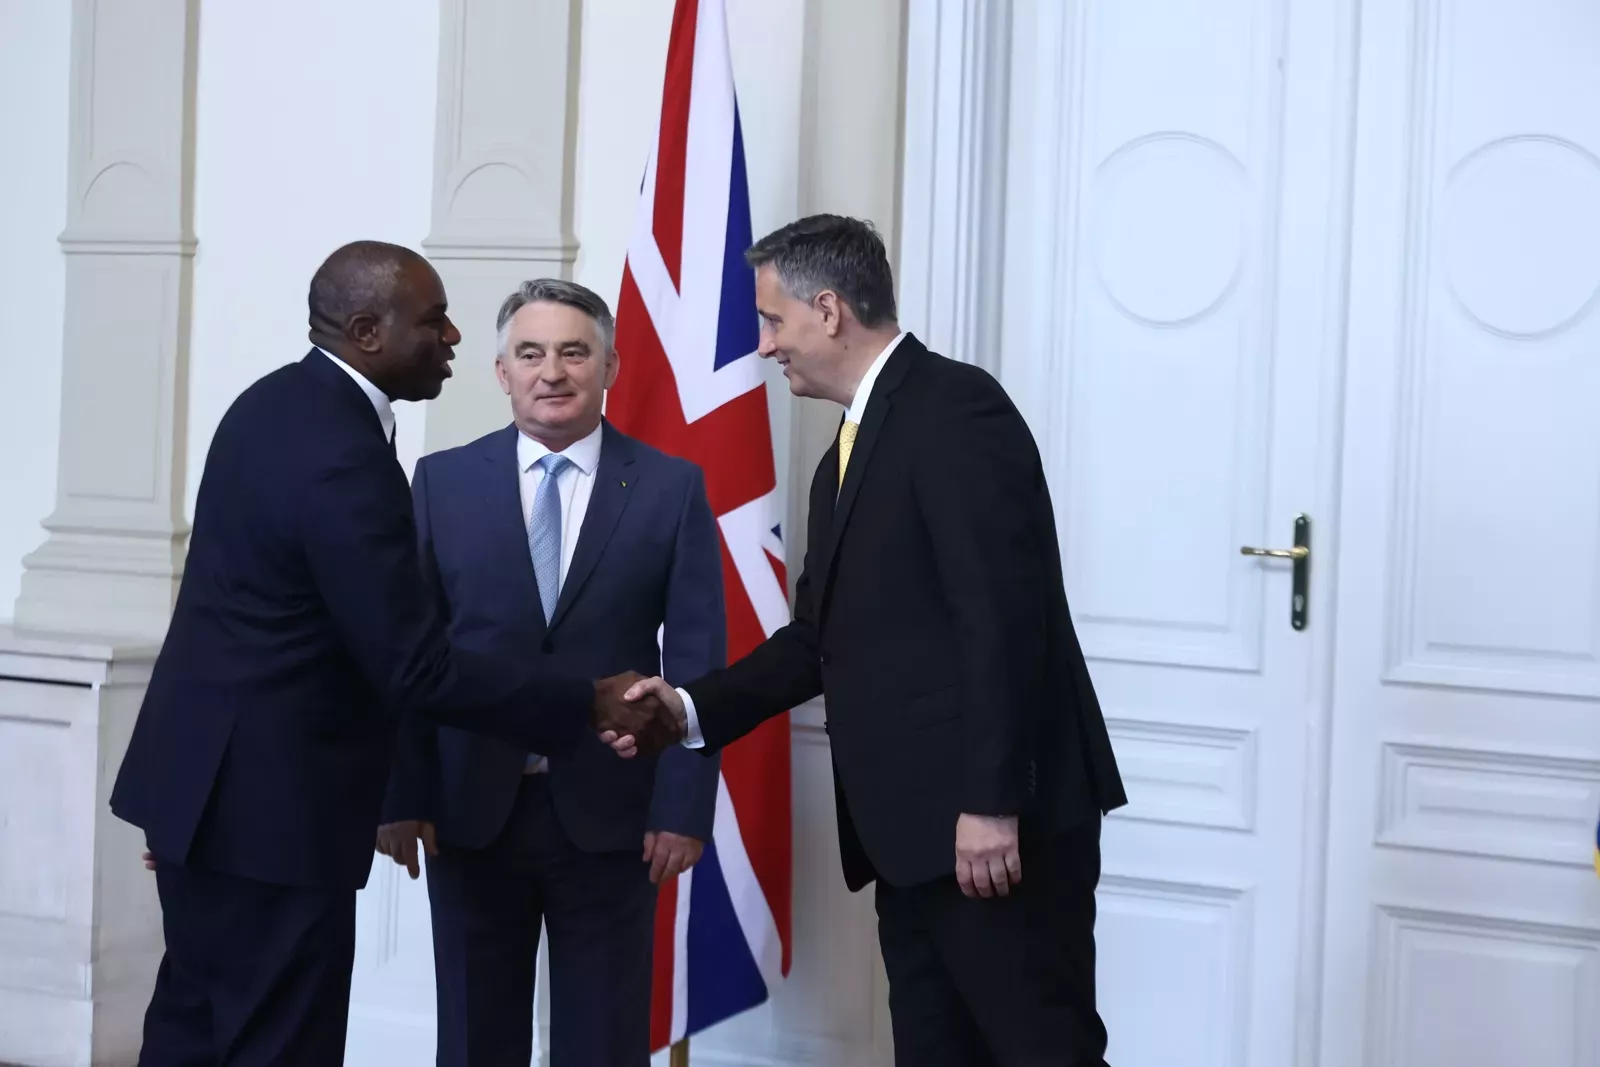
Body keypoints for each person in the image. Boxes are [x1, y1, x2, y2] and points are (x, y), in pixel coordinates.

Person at [109, 242, 678, 1066]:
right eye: (432, 320)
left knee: (191, 1033)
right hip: (273, 818)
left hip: (203, 794)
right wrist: (584, 699)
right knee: (274, 1045)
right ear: (368, 332)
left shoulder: (269, 405)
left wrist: (195, 811)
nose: (452, 336)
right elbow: (413, 664)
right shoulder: (344, 452)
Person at [622, 215, 1127, 1067]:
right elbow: (816, 640)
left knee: (1042, 1050)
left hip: (990, 827)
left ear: (828, 310)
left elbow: (1003, 619)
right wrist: (688, 706)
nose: (765, 345)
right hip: (910, 834)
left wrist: (991, 802)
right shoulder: (844, 456)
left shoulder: (956, 408)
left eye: (773, 320)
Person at [373, 279, 724, 1066]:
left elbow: (698, 661)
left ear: (611, 366)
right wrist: (401, 792)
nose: (552, 372)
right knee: (475, 1039)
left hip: (616, 815)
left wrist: (683, 805)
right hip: (468, 809)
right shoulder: (441, 482)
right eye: (530, 354)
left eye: (574, 352)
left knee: (603, 1043)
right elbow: (408, 652)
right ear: (502, 371)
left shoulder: (671, 488)